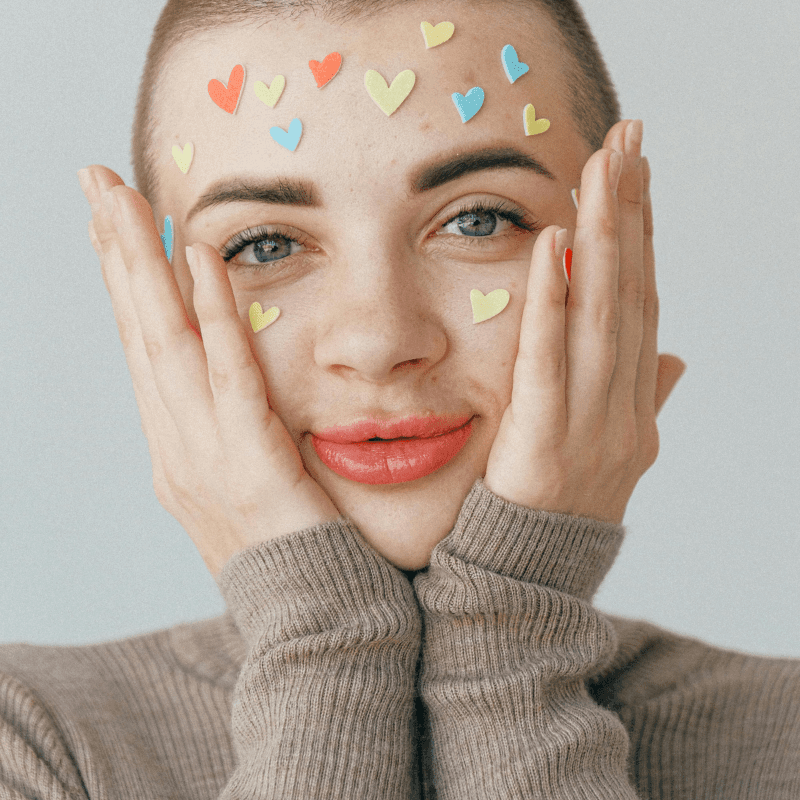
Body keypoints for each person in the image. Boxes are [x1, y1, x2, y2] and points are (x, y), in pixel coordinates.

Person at [1, 0, 798, 797]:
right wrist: (326, 638)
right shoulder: (33, 739)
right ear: (152, 302)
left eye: (478, 220)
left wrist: (511, 637)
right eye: (265, 244)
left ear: (618, 260)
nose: (378, 341)